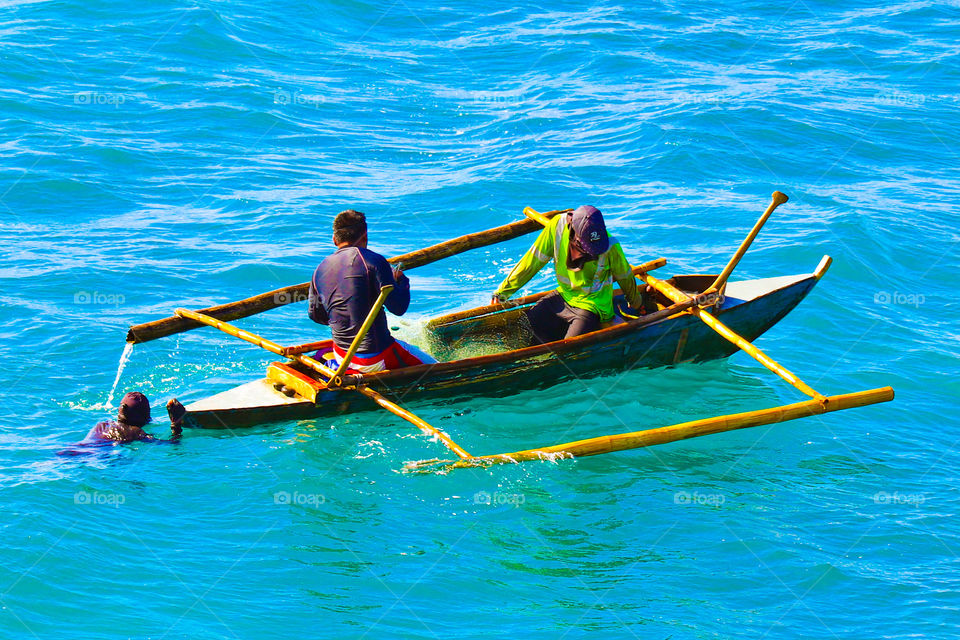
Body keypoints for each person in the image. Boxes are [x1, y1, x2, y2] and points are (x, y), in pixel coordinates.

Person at [491, 205, 652, 344]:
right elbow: (532, 261)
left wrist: (637, 303)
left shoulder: (610, 245)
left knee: (568, 349)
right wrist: (503, 292)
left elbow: (625, 277)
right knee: (524, 327)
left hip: (592, 306)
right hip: (563, 296)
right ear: (575, 232)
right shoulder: (557, 226)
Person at [309, 209, 435, 373]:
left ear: (334, 240)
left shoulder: (319, 269)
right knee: (438, 368)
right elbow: (398, 308)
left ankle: (337, 366)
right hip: (376, 358)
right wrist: (401, 281)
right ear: (365, 236)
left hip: (342, 354)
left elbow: (315, 315)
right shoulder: (374, 261)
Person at [80, 392, 182, 444]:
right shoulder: (135, 431)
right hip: (93, 455)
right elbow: (171, 444)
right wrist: (176, 423)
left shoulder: (103, 424)